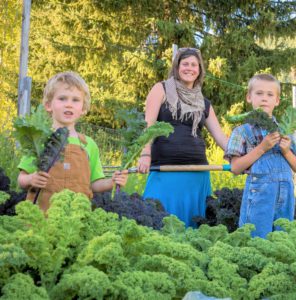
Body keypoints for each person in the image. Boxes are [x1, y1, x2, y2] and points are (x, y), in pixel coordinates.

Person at [137, 47, 228, 228]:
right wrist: (145, 154)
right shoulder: (160, 89)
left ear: (200, 70)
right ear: (177, 67)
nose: (189, 68)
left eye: (194, 65)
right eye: (185, 64)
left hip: (197, 174)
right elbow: (148, 125)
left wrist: (240, 157)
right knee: (157, 223)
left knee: (193, 228)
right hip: (164, 170)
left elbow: (220, 137)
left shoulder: (204, 102)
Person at [18, 71, 128, 212]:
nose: (69, 105)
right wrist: (31, 179)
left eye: (75, 100)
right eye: (62, 98)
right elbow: (21, 179)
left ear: (83, 108)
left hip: (76, 221)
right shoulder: (39, 140)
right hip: (40, 218)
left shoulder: (88, 145)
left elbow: (94, 184)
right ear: (48, 105)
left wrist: (112, 182)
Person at [225, 74, 296, 238]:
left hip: (285, 197)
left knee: (282, 242)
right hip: (259, 198)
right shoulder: (242, 131)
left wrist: (286, 151)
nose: (264, 99)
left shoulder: (288, 132)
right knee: (255, 239)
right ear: (249, 97)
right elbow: (235, 168)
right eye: (259, 93)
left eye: (270, 95)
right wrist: (262, 148)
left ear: (277, 100)